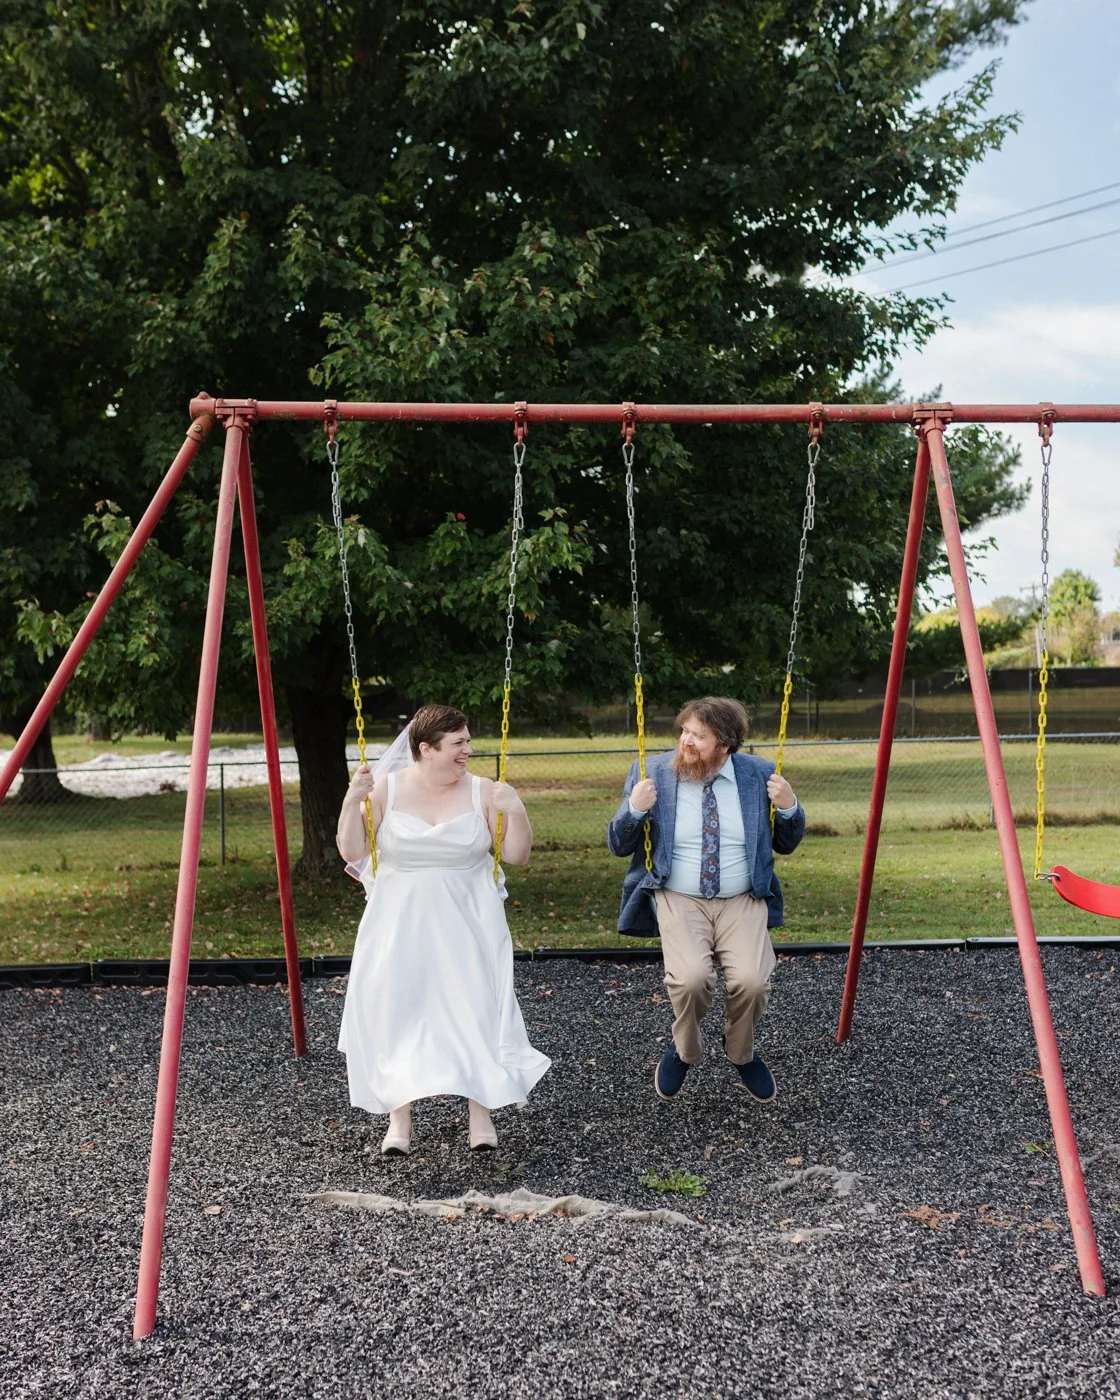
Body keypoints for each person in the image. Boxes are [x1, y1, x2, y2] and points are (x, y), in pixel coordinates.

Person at [336, 703, 550, 1156]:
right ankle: (399, 1119)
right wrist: (352, 799)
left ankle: (481, 1113)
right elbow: (352, 850)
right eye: (458, 744)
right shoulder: (386, 791)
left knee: (474, 1007)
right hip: (399, 921)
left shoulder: (483, 792)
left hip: (468, 919)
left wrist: (518, 811)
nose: (467, 751)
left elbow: (516, 855)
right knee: (399, 1009)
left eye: (467, 741)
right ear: (426, 749)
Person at [607, 696, 805, 1103]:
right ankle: (685, 1050)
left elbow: (786, 843)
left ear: (726, 745)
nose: (686, 741)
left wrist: (789, 808)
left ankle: (741, 1053)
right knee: (691, 980)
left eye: (699, 735)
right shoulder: (653, 773)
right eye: (684, 731)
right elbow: (617, 843)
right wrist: (634, 809)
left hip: (741, 898)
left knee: (752, 981)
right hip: (679, 895)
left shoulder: (760, 775)